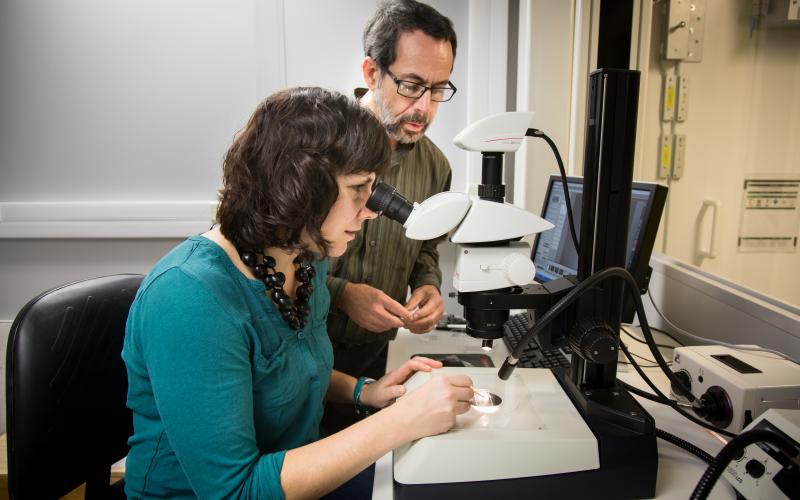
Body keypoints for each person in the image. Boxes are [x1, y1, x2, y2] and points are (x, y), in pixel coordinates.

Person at [122, 87, 474, 499]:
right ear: (300, 188)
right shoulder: (191, 298)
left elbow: (291, 369)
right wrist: (401, 422)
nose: (373, 210)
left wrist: (366, 391)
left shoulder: (306, 259)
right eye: (359, 188)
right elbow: (234, 491)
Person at [325, 0, 458, 430]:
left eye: (438, 89)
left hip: (379, 361)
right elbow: (272, 265)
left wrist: (428, 286)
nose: (425, 107)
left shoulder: (436, 166)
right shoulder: (315, 148)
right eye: (411, 85)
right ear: (371, 74)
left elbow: (426, 248)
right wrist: (344, 294)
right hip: (304, 357)